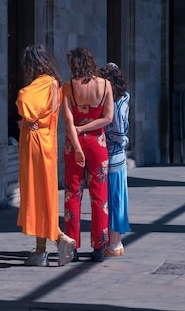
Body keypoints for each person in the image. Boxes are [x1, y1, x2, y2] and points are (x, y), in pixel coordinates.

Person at [16, 44, 76, 267]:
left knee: (36, 195)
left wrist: (30, 119)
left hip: (36, 143)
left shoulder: (40, 84)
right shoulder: (54, 83)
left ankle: (60, 238)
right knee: (45, 196)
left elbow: (23, 100)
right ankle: (41, 252)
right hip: (48, 144)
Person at [61, 47, 113, 262]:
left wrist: (78, 144)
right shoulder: (105, 85)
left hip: (74, 145)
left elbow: (68, 122)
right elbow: (108, 118)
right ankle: (99, 248)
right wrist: (88, 129)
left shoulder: (68, 87)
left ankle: (72, 247)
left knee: (72, 194)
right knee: (100, 196)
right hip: (97, 143)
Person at [99, 62, 131, 257]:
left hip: (111, 154)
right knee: (117, 199)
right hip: (119, 155)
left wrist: (120, 139)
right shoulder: (124, 98)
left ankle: (114, 243)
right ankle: (115, 241)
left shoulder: (112, 102)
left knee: (112, 199)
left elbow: (118, 128)